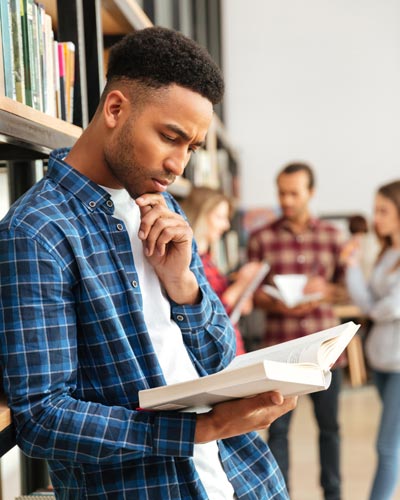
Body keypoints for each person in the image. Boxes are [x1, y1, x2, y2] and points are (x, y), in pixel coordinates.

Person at [0, 27, 296, 499]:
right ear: (115, 109)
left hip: (245, 480)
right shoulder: (38, 231)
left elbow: (218, 358)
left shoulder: (165, 210)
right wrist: (202, 429)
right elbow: (42, 419)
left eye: (191, 147)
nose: (179, 164)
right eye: (170, 137)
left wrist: (183, 286)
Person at [247, 162, 346, 500]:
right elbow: (253, 294)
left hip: (327, 352)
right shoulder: (261, 239)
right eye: (281, 193)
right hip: (281, 353)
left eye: (293, 193)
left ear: (310, 193)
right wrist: (278, 304)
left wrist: (326, 291)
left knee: (330, 430)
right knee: (278, 431)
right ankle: (280, 494)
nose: (286, 200)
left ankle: (333, 494)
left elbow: (345, 290)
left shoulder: (333, 236)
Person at [343, 180, 400, 500]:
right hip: (381, 359)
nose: (375, 218)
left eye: (384, 211)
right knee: (395, 441)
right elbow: (369, 306)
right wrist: (352, 266)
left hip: (399, 364)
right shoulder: (387, 252)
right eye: (375, 210)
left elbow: (390, 306)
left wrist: (380, 309)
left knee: (387, 446)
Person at [180, 186, 264, 355]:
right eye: (219, 217)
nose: (226, 226)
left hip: (230, 347)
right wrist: (241, 285)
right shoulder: (187, 262)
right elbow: (208, 318)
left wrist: (240, 295)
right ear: (201, 214)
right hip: (216, 353)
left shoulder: (207, 259)